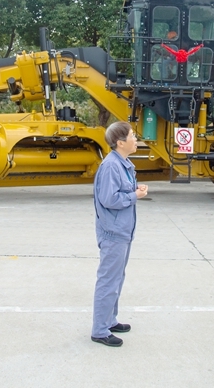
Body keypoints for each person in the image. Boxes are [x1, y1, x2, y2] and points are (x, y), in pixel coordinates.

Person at [91, 121, 148, 347]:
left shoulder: (123, 164)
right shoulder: (111, 166)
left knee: (117, 278)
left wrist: (135, 190)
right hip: (113, 232)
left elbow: (119, 191)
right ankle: (100, 330)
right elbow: (109, 199)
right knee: (109, 280)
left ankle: (109, 320)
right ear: (120, 142)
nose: (136, 140)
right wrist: (135, 196)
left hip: (122, 230)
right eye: (132, 136)